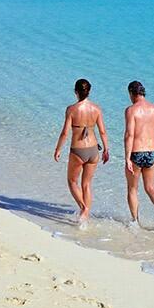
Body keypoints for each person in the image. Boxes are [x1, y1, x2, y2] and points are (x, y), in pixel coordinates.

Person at [52, 77, 109, 231]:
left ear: (76, 92)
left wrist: (58, 149)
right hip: (93, 150)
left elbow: (65, 133)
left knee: (72, 181)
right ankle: (85, 218)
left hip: (77, 150)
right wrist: (106, 149)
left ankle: (83, 208)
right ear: (88, 91)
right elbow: (102, 131)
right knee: (87, 184)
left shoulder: (71, 109)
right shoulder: (96, 109)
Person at [121, 80, 154, 234]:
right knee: (151, 188)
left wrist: (127, 158)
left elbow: (129, 135)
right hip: (151, 153)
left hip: (136, 153)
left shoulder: (131, 110)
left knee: (132, 188)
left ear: (132, 93)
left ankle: (135, 222)